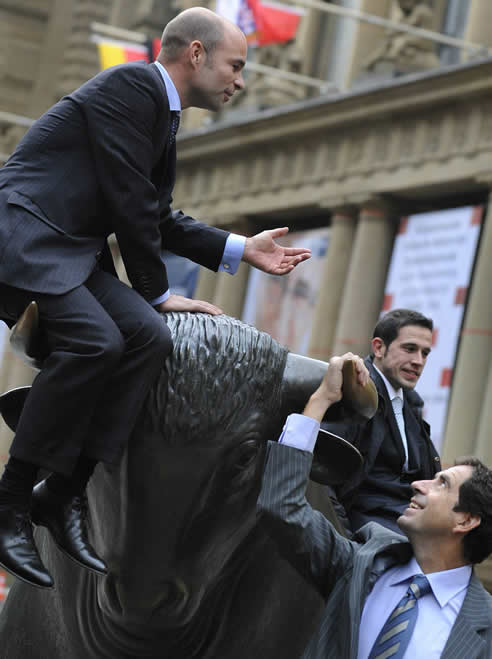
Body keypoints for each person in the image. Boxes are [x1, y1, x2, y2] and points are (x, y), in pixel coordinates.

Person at [0, 7, 311, 589]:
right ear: (196, 53)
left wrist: (243, 249)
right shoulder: (131, 85)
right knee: (98, 340)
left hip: (67, 251)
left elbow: (156, 215)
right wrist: (159, 292)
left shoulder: (161, 113)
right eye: (235, 65)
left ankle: (62, 494)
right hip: (27, 238)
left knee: (146, 337)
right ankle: (11, 500)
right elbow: (130, 202)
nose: (240, 80)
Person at [258, 354, 492, 659]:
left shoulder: (484, 627)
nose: (418, 484)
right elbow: (281, 505)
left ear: (465, 521)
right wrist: (322, 399)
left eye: (442, 484)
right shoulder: (361, 564)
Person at [322, 308, 440, 535]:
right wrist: (344, 540)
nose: (418, 361)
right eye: (409, 349)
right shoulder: (353, 392)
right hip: (369, 538)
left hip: (409, 525)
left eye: (425, 353)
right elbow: (322, 478)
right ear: (378, 347)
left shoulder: (411, 405)